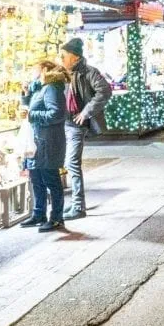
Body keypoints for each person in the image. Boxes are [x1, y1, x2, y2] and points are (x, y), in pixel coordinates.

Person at [59, 38, 111, 221]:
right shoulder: (63, 73)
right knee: (67, 163)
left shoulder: (88, 72)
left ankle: (79, 206)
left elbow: (105, 90)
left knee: (72, 163)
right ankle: (73, 204)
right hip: (63, 124)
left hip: (75, 125)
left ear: (75, 57)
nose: (61, 59)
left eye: (64, 55)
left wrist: (86, 112)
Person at [20, 61, 68, 233]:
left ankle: (56, 218)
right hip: (37, 141)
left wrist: (32, 115)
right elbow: (31, 107)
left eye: (35, 69)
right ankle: (39, 213)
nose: (32, 72)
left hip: (48, 142)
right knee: (36, 179)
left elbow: (56, 114)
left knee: (51, 179)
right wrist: (25, 95)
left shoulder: (52, 88)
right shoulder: (40, 88)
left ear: (45, 70)